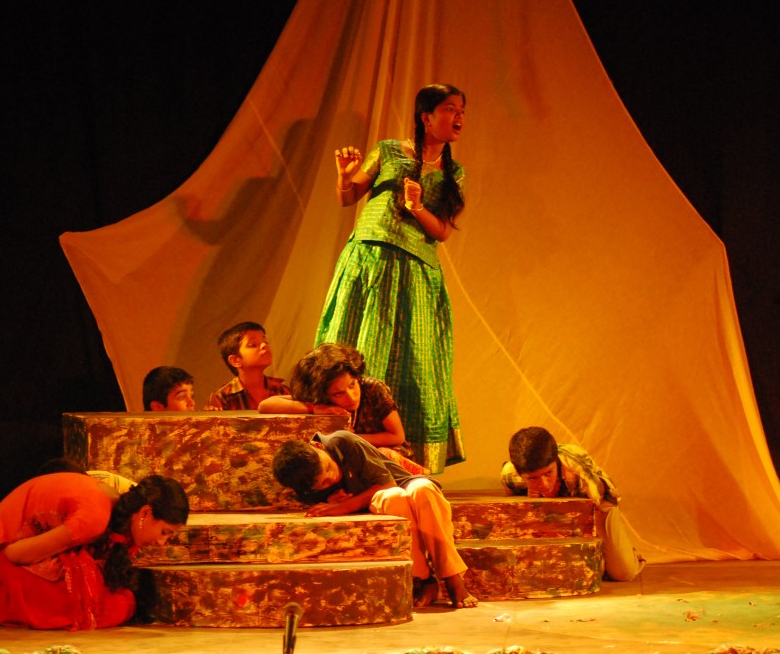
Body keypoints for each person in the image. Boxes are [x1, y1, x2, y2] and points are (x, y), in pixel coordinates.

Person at [316, 83, 468, 475]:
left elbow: (442, 231)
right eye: (450, 108)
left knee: (415, 360)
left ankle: (405, 457)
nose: (459, 117)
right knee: (356, 347)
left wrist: (416, 207)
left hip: (416, 271)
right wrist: (343, 176)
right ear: (426, 117)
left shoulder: (454, 172)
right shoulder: (387, 151)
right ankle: (337, 449)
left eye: (461, 111)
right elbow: (348, 197)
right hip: (371, 259)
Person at [0, 473, 189, 629]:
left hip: (40, 556)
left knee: (112, 600)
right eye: (165, 532)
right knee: (69, 604)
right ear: (145, 513)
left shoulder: (127, 522)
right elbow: (16, 554)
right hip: (6, 553)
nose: (162, 542)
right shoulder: (93, 520)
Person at [271, 431, 477, 609]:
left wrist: (343, 506)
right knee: (395, 499)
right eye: (323, 484)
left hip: (401, 484)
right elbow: (383, 495)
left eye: (329, 469)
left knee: (424, 489)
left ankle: (452, 576)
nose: (331, 479)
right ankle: (422, 579)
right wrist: (330, 500)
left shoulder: (342, 442)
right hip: (382, 500)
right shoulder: (303, 485)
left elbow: (387, 484)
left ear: (318, 448)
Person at [501, 426, 646, 582]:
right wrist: (530, 497)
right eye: (533, 478)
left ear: (556, 462)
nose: (544, 483)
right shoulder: (511, 476)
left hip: (598, 508)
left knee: (623, 572)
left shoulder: (580, 476)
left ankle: (626, 552)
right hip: (559, 517)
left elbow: (606, 498)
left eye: (548, 473)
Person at [258, 342, 426, 474]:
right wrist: (313, 408)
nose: (351, 397)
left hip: (387, 456)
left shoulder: (373, 389)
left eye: (352, 385)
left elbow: (397, 436)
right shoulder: (321, 400)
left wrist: (350, 439)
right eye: (338, 394)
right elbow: (265, 405)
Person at [207, 321, 290, 410]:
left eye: (266, 342)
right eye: (253, 345)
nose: (264, 345)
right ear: (235, 360)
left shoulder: (282, 390)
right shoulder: (223, 397)